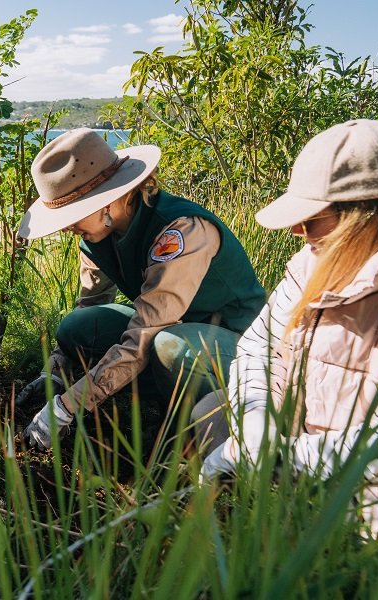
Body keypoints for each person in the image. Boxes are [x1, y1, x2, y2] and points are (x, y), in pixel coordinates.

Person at [197, 119, 378, 538]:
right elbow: (261, 348)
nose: (296, 231)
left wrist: (277, 459)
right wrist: (257, 424)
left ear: (368, 216)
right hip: (299, 450)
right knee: (212, 410)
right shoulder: (314, 261)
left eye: (312, 219)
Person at [15, 129, 266, 450]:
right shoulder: (95, 238)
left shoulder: (182, 231)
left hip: (240, 348)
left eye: (73, 214)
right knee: (78, 326)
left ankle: (195, 438)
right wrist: (55, 372)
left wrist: (68, 407)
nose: (66, 226)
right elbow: (90, 305)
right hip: (173, 330)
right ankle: (156, 398)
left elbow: (147, 334)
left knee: (170, 346)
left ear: (109, 199)